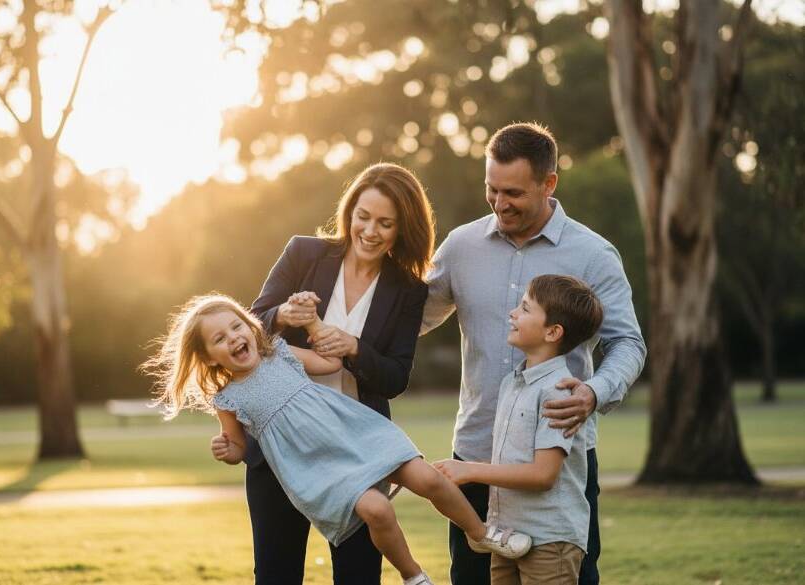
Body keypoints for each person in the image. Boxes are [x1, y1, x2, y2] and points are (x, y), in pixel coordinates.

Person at [145, 294, 532, 585]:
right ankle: (414, 576)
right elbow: (240, 447)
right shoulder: (227, 398)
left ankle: (480, 534)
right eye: (219, 339)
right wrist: (227, 451)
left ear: (250, 326)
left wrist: (314, 326)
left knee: (430, 478)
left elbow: (330, 363)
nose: (232, 338)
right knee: (377, 511)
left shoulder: (278, 352)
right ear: (210, 357)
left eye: (236, 327)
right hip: (318, 467)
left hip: (353, 433)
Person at [422, 122, 646, 585]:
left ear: (549, 184)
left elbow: (627, 343)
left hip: (560, 468)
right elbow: (410, 319)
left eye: (514, 193)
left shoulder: (594, 255)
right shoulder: (460, 247)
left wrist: (594, 392)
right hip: (475, 459)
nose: (500, 203)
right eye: (492, 189)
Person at [247, 162, 437, 585]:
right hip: (281, 445)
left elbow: (395, 378)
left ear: (402, 229)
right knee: (276, 575)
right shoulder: (304, 253)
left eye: (385, 223)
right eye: (363, 217)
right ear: (349, 212)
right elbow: (250, 326)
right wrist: (281, 314)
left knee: (359, 576)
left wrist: (354, 349)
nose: (370, 231)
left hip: (357, 452)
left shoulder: (409, 290)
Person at [436, 274, 604, 585]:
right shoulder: (513, 383)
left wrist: (470, 470)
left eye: (525, 309)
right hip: (508, 537)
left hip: (549, 542)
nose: (513, 313)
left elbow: (543, 475)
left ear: (553, 331)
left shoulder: (558, 393)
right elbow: (514, 463)